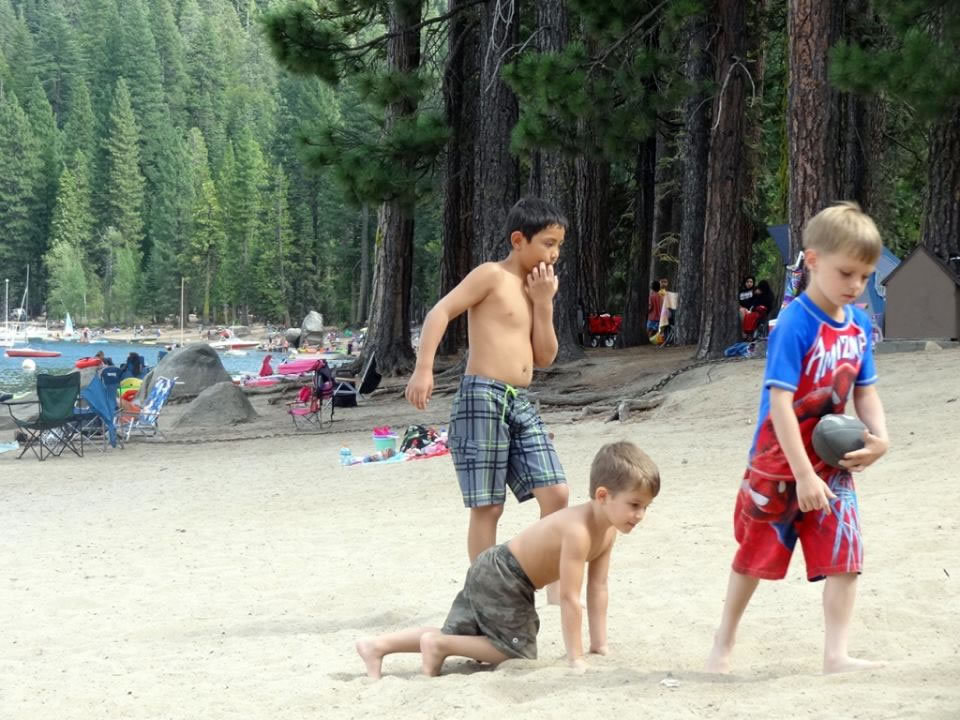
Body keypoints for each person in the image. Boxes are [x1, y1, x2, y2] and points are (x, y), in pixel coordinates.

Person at [706, 201, 890, 675]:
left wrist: (880, 438)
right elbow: (781, 405)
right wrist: (803, 475)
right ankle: (723, 642)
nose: (855, 285)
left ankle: (836, 655)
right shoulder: (795, 322)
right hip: (778, 466)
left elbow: (865, 391)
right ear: (812, 261)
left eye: (865, 276)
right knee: (754, 557)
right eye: (846, 272)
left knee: (845, 557)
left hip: (833, 463)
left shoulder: (858, 326)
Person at [355, 441, 660, 679]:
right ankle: (439, 646)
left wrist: (599, 644)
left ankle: (377, 646)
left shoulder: (607, 532)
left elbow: (598, 588)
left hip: (494, 568)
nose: (640, 515)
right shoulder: (578, 531)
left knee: (461, 634)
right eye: (634, 505)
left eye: (645, 507)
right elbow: (569, 598)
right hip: (505, 577)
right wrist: (576, 658)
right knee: (517, 652)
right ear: (603, 496)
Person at [404, 196, 570, 586]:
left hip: (520, 401)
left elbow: (545, 357)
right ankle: (485, 590)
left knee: (557, 494)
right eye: (548, 243)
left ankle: (534, 572)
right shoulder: (492, 275)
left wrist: (544, 304)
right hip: (482, 396)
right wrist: (423, 369)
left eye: (559, 245)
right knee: (488, 506)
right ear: (519, 240)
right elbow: (441, 311)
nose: (555, 253)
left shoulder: (538, 288)